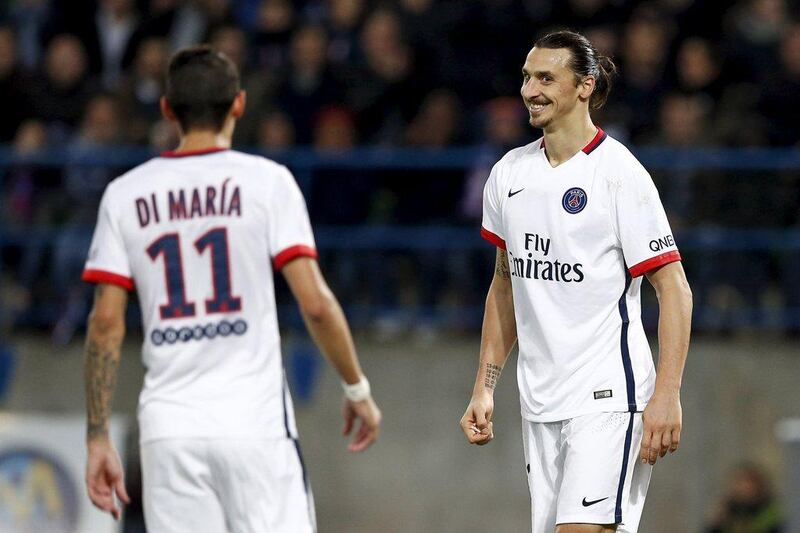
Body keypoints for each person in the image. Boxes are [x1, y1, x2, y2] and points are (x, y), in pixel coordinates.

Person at [81, 45, 381, 532]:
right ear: (238, 105)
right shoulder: (268, 182)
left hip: (169, 428)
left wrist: (97, 436)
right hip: (253, 423)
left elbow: (106, 323)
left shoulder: (126, 194)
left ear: (167, 110)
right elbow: (316, 305)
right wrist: (357, 387)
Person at [459, 30, 692, 533]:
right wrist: (484, 387)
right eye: (526, 77)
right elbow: (505, 287)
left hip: (609, 395)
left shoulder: (619, 175)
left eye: (546, 77)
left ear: (585, 86)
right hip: (540, 401)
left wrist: (668, 394)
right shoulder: (508, 175)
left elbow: (674, 288)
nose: (530, 90)